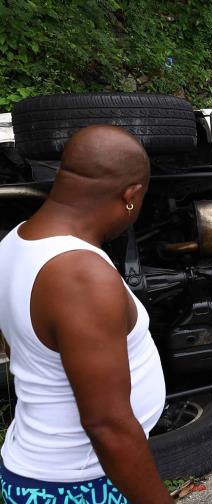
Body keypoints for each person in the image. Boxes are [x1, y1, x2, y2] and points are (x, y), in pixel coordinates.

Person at [0, 126, 171, 502]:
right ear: (131, 195)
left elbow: (22, 350)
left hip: (37, 470)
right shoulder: (81, 276)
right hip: (77, 484)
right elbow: (106, 425)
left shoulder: (14, 242)